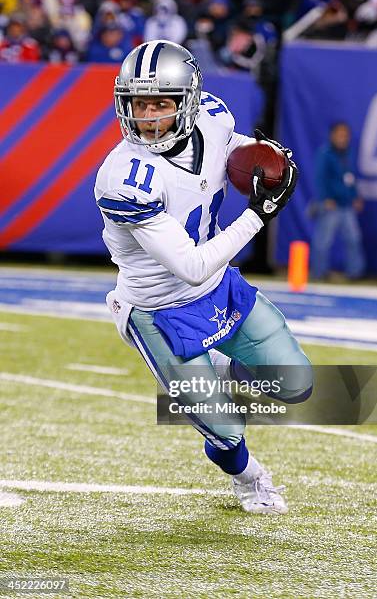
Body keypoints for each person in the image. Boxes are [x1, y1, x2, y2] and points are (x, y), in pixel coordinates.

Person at [94, 40, 313, 515]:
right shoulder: (123, 177)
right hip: (157, 309)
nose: (148, 116)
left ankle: (219, 369)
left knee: (295, 384)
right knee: (224, 428)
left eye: (161, 103)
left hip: (219, 289)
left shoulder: (213, 118)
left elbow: (230, 150)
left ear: (190, 102)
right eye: (139, 103)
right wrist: (260, 212)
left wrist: (263, 157)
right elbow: (190, 266)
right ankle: (251, 480)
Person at [311, 122, 366, 280]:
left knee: (354, 238)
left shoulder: (348, 153)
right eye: (340, 135)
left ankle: (354, 273)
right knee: (324, 240)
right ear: (332, 135)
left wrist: (355, 196)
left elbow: (351, 178)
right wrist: (325, 198)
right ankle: (319, 272)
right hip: (331, 204)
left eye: (345, 135)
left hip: (346, 204)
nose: (343, 138)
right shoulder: (325, 153)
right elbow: (320, 178)